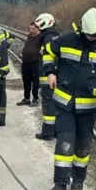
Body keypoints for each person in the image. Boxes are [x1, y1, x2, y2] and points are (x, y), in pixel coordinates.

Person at [42, 8, 96, 190]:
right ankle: (60, 183)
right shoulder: (65, 40)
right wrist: (50, 72)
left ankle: (78, 179)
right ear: (84, 28)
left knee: (83, 145)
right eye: (92, 35)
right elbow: (48, 52)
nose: (94, 39)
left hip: (89, 106)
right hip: (65, 103)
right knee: (65, 143)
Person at [33, 12, 60, 141]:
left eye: (39, 27)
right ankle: (54, 130)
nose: (38, 29)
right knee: (55, 105)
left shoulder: (48, 39)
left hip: (48, 78)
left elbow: (48, 58)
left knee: (48, 105)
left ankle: (47, 132)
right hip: (54, 77)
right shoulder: (55, 37)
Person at [17, 21, 41, 106]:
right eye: (30, 28)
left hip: (35, 63)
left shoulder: (40, 37)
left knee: (35, 82)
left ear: (38, 28)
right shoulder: (29, 36)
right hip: (26, 63)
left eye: (33, 29)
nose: (31, 30)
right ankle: (26, 98)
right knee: (26, 81)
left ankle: (35, 99)